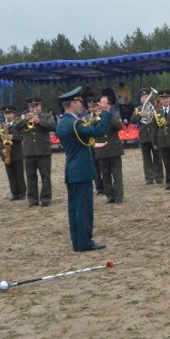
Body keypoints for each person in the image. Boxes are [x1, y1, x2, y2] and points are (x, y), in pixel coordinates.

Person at [56, 88, 113, 252]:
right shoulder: (75, 123)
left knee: (75, 209)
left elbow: (82, 134)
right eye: (78, 102)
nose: (81, 105)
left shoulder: (63, 123)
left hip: (72, 169)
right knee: (84, 208)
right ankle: (84, 243)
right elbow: (98, 131)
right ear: (73, 104)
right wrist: (105, 111)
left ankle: (78, 242)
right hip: (81, 169)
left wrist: (94, 121)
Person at [16, 97, 56, 207]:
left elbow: (53, 126)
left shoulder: (46, 116)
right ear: (29, 108)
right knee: (30, 177)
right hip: (29, 152)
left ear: (40, 106)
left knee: (45, 176)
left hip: (43, 151)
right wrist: (25, 120)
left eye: (37, 106)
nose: (34, 108)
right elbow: (17, 127)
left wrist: (39, 122)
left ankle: (45, 198)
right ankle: (32, 199)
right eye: (32, 106)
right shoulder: (24, 117)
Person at [93, 97, 124, 204]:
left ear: (109, 105)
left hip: (114, 149)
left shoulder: (114, 116)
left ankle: (119, 196)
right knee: (105, 176)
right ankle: (109, 196)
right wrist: (98, 117)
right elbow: (90, 127)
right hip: (101, 150)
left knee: (117, 175)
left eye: (103, 103)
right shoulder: (95, 117)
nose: (100, 105)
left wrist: (107, 114)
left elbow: (119, 126)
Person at [129, 88, 161, 185]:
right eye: (143, 97)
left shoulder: (156, 107)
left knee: (157, 157)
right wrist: (139, 115)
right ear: (140, 99)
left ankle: (159, 177)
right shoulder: (138, 109)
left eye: (146, 97)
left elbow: (160, 119)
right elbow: (132, 120)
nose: (145, 99)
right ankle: (149, 178)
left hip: (155, 136)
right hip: (144, 136)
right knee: (147, 159)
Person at [0, 105, 26, 200]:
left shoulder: (18, 125)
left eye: (9, 113)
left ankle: (22, 193)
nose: (8, 116)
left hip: (17, 152)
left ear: (14, 114)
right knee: (10, 174)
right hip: (6, 153)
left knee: (19, 174)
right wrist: (2, 149)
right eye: (6, 114)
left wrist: (13, 137)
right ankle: (14, 193)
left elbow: (23, 137)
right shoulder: (1, 126)